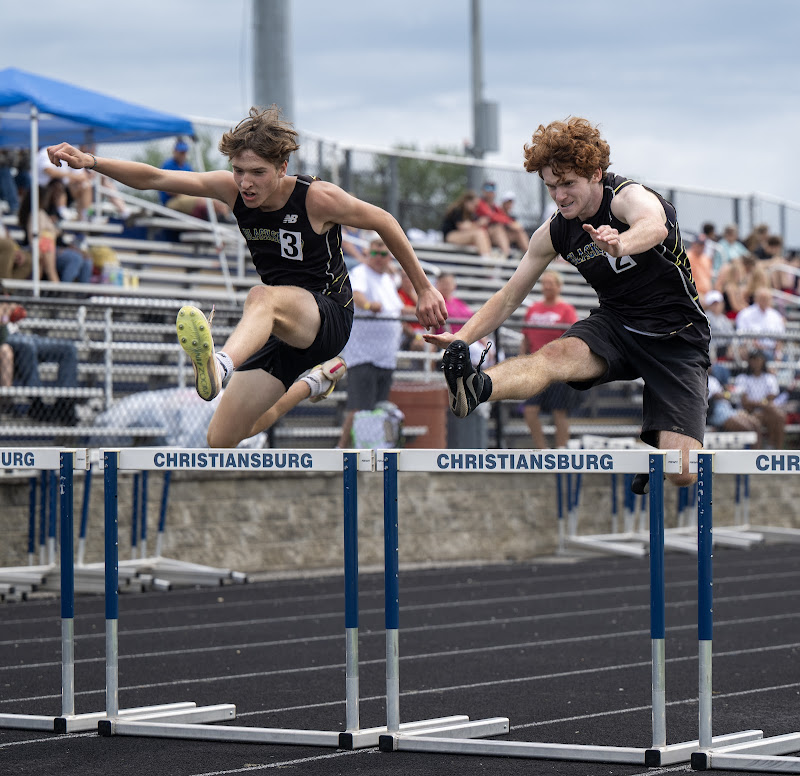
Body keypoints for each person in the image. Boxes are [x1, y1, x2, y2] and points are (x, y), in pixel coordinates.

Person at [48, 106, 447, 449]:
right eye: (238, 171)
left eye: (257, 172)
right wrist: (93, 163)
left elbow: (385, 221)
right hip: (280, 327)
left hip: (328, 314)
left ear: (282, 167)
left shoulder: (317, 198)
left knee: (262, 296)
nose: (246, 183)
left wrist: (424, 288)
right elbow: (155, 178)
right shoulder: (232, 191)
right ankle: (312, 384)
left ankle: (219, 364)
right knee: (222, 437)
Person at [425, 116, 709, 493]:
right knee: (555, 355)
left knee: (682, 472)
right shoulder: (555, 231)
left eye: (568, 184)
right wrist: (463, 336)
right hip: (617, 326)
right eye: (551, 186)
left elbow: (654, 225)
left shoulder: (627, 197)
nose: (559, 196)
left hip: (678, 338)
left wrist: (621, 242)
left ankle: (659, 444)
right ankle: (478, 387)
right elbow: (510, 294)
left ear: (595, 173)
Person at [334, 235, 405, 448]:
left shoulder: (388, 280)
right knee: (359, 408)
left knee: (378, 408)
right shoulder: (361, 273)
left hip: (385, 356)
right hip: (364, 354)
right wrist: (368, 305)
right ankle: (342, 450)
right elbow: (358, 296)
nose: (379, 257)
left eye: (384, 253)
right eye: (374, 252)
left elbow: (397, 308)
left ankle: (374, 449)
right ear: (367, 253)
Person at [520, 270, 581, 448]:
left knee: (558, 412)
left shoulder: (566, 309)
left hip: (557, 368)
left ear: (558, 286)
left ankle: (561, 451)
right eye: (544, 283)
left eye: (550, 283)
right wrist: (523, 360)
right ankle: (542, 450)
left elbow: (572, 338)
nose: (546, 286)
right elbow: (525, 338)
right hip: (536, 367)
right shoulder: (533, 309)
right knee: (530, 411)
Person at [734, 349, 786, 448]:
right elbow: (746, 404)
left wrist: (759, 403)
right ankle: (763, 450)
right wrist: (762, 403)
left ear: (763, 361)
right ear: (749, 361)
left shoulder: (769, 378)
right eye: (753, 359)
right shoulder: (742, 378)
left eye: (758, 359)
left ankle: (777, 450)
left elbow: (771, 398)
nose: (756, 362)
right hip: (747, 413)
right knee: (771, 414)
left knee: (779, 416)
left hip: (765, 412)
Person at [475, 181, 528, 256]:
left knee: (518, 232)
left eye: (492, 190)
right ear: (483, 191)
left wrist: (514, 224)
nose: (490, 193)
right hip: (483, 235)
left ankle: (531, 257)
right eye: (488, 190)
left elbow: (502, 217)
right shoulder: (479, 203)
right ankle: (506, 256)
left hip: (496, 236)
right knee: (498, 228)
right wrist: (510, 223)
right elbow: (492, 216)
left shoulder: (494, 207)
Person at [735, 286, 786, 361]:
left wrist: (778, 355)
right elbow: (744, 336)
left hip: (773, 351)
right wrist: (760, 347)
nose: (765, 301)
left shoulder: (775, 315)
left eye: (767, 299)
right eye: (762, 298)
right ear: (756, 298)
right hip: (753, 351)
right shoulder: (745, 314)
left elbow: (780, 339)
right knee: (764, 356)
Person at [440, 191, 493, 258]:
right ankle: (486, 260)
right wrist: (479, 223)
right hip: (450, 236)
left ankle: (488, 257)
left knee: (482, 232)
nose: (475, 208)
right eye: (474, 205)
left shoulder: (471, 214)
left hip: (460, 236)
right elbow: (462, 227)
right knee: (478, 234)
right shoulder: (458, 210)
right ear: (467, 202)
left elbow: (472, 227)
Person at [159, 138, 194, 206]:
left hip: (186, 198)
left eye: (184, 152)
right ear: (174, 151)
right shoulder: (168, 165)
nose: (183, 154)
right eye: (181, 152)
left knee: (209, 201)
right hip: (170, 202)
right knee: (201, 202)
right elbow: (169, 190)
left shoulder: (187, 166)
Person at [703, 289, 734, 361]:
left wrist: (730, 348)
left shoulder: (724, 319)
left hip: (724, 348)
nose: (716, 306)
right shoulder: (705, 317)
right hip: (711, 348)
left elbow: (731, 336)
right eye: (713, 304)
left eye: (718, 303)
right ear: (709, 305)